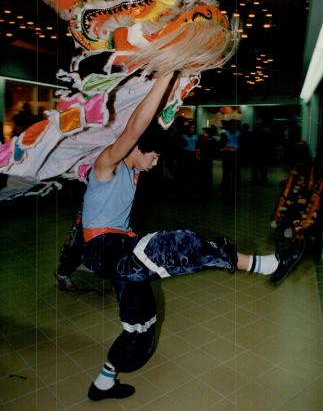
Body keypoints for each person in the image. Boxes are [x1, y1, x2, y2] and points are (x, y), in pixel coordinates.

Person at [54, 71, 305, 401]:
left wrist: (172, 96)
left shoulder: (133, 171)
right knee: (178, 245)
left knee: (141, 330)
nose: (156, 163)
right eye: (153, 156)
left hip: (121, 251)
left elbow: (151, 128)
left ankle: (103, 382)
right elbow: (135, 127)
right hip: (103, 248)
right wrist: (166, 74)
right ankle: (267, 266)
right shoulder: (108, 163)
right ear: (135, 149)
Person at [220, 120, 241, 192]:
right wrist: (226, 148)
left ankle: (235, 187)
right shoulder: (225, 134)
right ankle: (225, 187)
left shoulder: (239, 134)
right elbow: (222, 145)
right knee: (226, 172)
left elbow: (242, 145)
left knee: (236, 172)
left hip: (236, 155)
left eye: (235, 125)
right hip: (227, 154)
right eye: (232, 125)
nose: (233, 126)